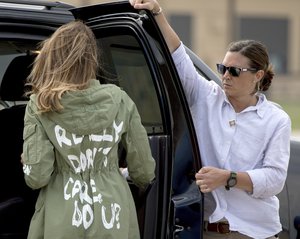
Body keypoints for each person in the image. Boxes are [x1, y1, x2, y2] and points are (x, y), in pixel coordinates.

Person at [129, 1, 291, 238]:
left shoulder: (277, 120)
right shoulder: (206, 95)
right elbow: (178, 55)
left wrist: (228, 178)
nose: (225, 76)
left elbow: (275, 179)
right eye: (222, 68)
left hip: (256, 232)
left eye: (234, 71)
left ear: (258, 76)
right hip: (208, 230)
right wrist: (157, 12)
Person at [21, 20, 155, 239]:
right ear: (92, 60)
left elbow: (37, 177)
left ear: (53, 59)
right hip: (113, 214)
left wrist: (28, 161)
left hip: (62, 216)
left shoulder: (40, 105)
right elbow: (145, 173)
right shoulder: (121, 100)